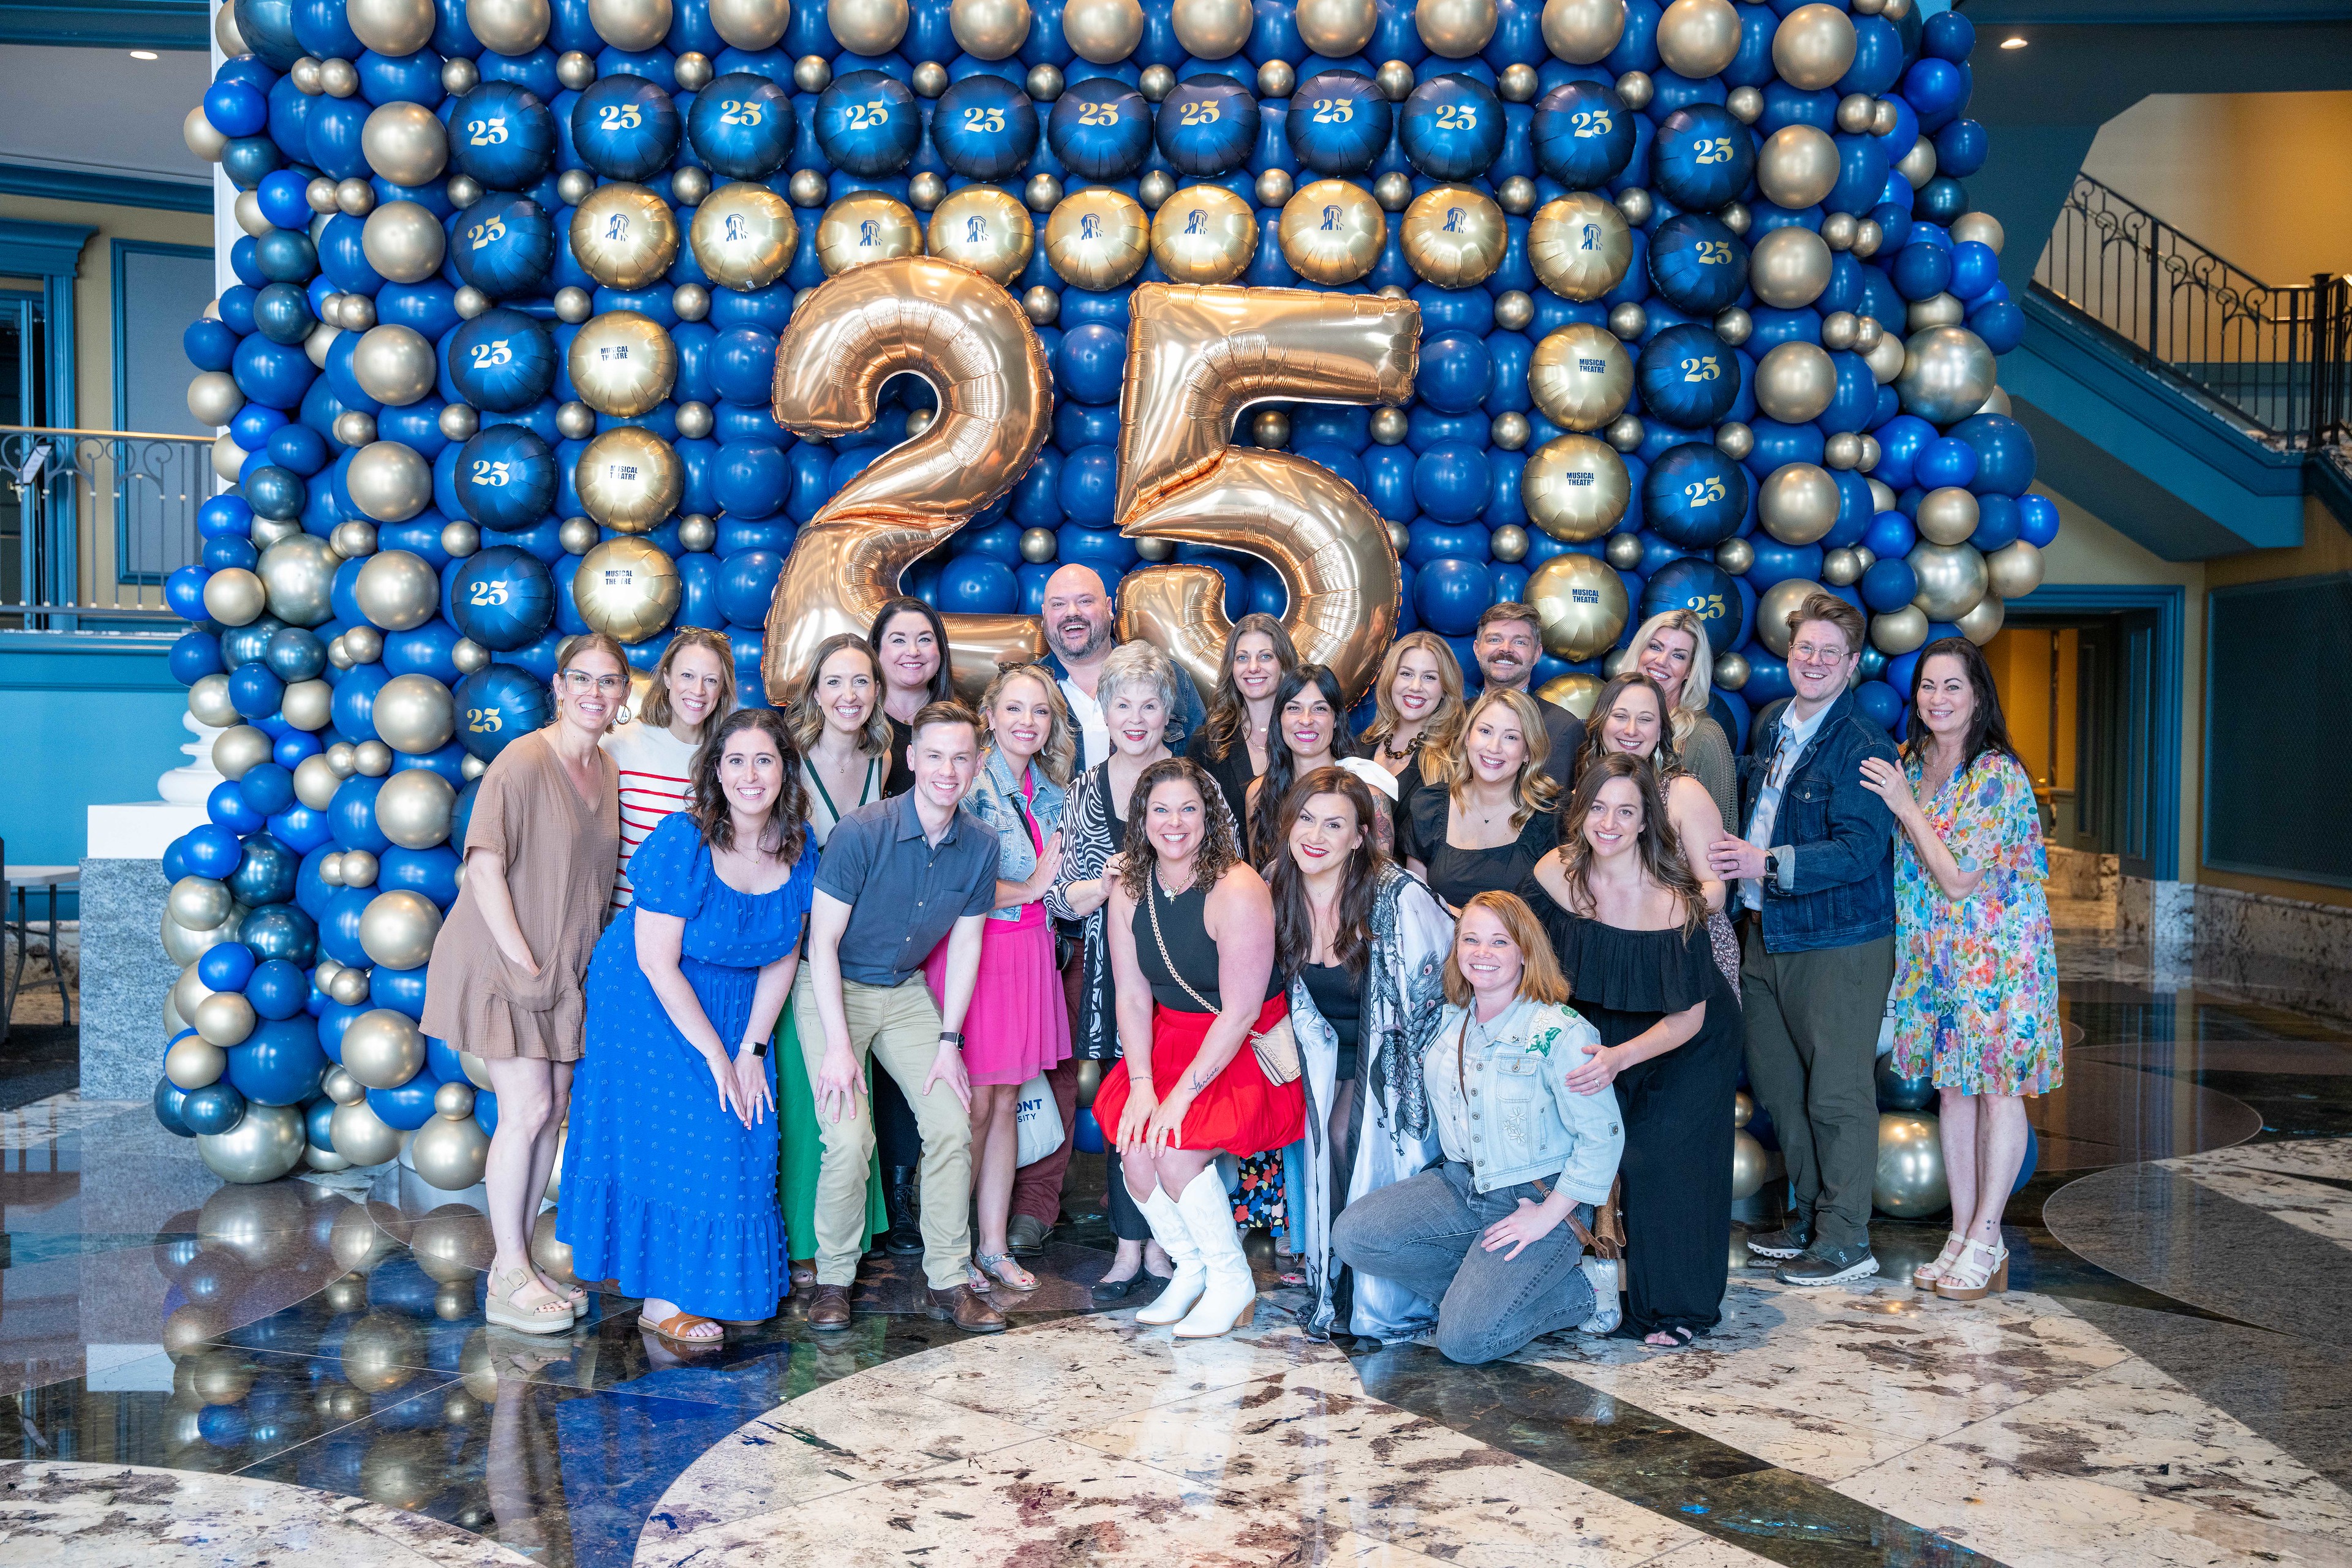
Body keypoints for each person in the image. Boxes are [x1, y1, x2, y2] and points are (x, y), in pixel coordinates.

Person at [560, 709, 818, 1344]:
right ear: (716, 772)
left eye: (764, 760)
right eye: (736, 761)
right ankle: (662, 1301)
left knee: (746, 1125)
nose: (750, 775)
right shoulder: (686, 839)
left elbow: (783, 954)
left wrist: (751, 1049)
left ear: (785, 771)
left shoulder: (799, 844)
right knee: (687, 1134)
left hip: (736, 1000)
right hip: (648, 998)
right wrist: (715, 1055)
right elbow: (655, 959)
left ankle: (716, 1283)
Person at [423, 631, 624, 1334]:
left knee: (553, 1104)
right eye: (582, 679)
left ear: (622, 695)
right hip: (505, 957)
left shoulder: (606, 768)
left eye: (609, 681)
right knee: (528, 1106)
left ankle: (522, 1265)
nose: (595, 692)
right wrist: (524, 963)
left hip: (563, 967)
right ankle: (506, 1271)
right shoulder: (524, 759)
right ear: (559, 688)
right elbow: (483, 866)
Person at [1331, 892, 1624, 1366]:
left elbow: (1602, 1139)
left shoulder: (1561, 1032)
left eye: (1499, 942)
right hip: (1462, 1184)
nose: (1482, 953)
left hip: (1537, 1197)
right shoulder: (1453, 1021)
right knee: (1355, 1236)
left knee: (1465, 1344)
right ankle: (1476, 1294)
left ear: (1525, 951)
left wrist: (1546, 1216)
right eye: (1471, 940)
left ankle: (1582, 1293)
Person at [794, 701, 1006, 1334]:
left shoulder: (981, 844)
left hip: (906, 990)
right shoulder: (863, 831)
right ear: (911, 759)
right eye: (934, 755)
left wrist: (949, 1041)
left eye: (960, 757)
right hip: (832, 987)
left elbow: (966, 945)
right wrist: (839, 1045)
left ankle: (948, 1278)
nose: (947, 770)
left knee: (951, 1125)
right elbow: (822, 943)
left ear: (977, 764)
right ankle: (834, 1278)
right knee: (848, 1140)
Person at [1861, 638, 2063, 1302]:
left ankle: (1988, 1234)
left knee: (1998, 1091)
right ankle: (1961, 1232)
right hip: (1934, 958)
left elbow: (1955, 879)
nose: (1937, 698)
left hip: (1997, 957)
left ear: (1978, 696)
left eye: (1953, 685)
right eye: (1927, 685)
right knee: (1952, 1090)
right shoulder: (1912, 760)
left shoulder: (1995, 774)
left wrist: (1905, 805)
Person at [1706, 592, 1899, 1288]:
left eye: (1830, 652)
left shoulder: (1864, 744)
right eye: (1805, 648)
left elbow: (1860, 850)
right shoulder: (1776, 727)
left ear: (1852, 664)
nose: (1814, 661)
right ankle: (1812, 1219)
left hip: (1838, 941)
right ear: (1790, 654)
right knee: (1782, 1090)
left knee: (1838, 1094)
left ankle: (1846, 1240)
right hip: (1764, 932)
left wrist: (1766, 863)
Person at [1525, 753, 1742, 1346]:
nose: (1609, 823)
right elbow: (1525, 954)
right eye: (1598, 808)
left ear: (1647, 821)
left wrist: (1620, 1058)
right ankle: (1583, 1291)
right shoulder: (1555, 873)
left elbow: (1689, 1017)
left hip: (1685, 1039)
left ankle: (1677, 1309)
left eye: (1626, 812)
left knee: (1661, 1159)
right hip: (1601, 1034)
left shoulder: (1672, 899)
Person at [1091, 758, 1305, 1338]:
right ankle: (1191, 1269)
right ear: (1141, 819)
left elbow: (1240, 1011)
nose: (1175, 822)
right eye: (1160, 810)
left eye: (1188, 808)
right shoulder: (1129, 887)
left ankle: (1231, 1280)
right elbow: (1132, 995)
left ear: (1209, 817)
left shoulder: (1238, 887)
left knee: (1175, 1153)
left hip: (1239, 1041)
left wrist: (1180, 1097)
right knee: (1137, 1153)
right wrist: (1141, 1085)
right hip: (1170, 1038)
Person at [1271, 766, 1455, 1342]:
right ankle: (1334, 1281)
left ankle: (1368, 1286)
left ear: (1360, 837)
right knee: (1315, 1134)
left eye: (1335, 825)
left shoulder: (1397, 897)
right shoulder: (1276, 887)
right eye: (1306, 819)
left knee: (1343, 1132)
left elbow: (1445, 995)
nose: (1315, 836)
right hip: (1317, 1055)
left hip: (1399, 1057)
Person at [1043, 640, 1185, 1300]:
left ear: (1167, 713)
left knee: (1174, 1101)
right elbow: (1059, 895)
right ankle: (1128, 1247)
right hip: (1108, 970)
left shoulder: (1194, 785)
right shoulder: (1084, 788)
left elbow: (1225, 870)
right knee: (1126, 1099)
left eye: (1149, 705)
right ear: (1104, 710)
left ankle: (1164, 1244)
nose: (1135, 718)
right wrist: (1102, 886)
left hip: (1181, 970)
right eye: (1122, 704)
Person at [929, 664, 1072, 1294]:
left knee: (1009, 1100)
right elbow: (951, 882)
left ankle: (992, 1247)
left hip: (1030, 951)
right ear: (988, 715)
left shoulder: (1052, 791)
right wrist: (1033, 886)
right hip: (978, 951)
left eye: (1039, 711)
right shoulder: (968, 781)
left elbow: (1063, 883)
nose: (1027, 722)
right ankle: (949, 1249)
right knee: (976, 1105)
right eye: (1014, 708)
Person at [779, 633, 894, 1280]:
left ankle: (849, 1233)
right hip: (796, 952)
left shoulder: (883, 757)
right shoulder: (790, 761)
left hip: (860, 956)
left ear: (877, 691)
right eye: (835, 681)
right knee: (808, 1099)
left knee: (853, 1097)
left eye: (861, 681)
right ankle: (802, 1242)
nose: (849, 695)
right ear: (815, 693)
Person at [861, 595, 953, 1254]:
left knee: (915, 1068)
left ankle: (905, 1198)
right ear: (877, 651)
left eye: (925, 639)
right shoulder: (859, 725)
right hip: (863, 917)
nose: (913, 651)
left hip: (935, 917)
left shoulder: (954, 727)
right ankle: (870, 1205)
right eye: (898, 639)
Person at [1578, 674, 1738, 991]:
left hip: (1685, 954)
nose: (1631, 730)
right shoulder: (1583, 792)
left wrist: (1647, 913)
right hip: (1611, 951)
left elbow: (1716, 892)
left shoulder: (1683, 793)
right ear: (1600, 722)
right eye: (1620, 716)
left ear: (1661, 729)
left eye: (1645, 719)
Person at [601, 627, 734, 911]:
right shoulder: (620, 744)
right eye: (687, 675)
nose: (698, 690)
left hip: (693, 924)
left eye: (711, 680)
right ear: (666, 678)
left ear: (722, 688)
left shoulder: (730, 758)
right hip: (623, 918)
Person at [1400, 688, 1562, 915]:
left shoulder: (1554, 816)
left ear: (1528, 752)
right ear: (1468, 738)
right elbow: (1416, 909)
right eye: (1485, 731)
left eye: (1511, 737)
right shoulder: (1429, 807)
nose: (1494, 747)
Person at [1039, 563, 1206, 766]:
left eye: (1085, 601)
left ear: (1109, 608)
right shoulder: (1024, 688)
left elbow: (1205, 767)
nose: (1072, 612)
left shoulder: (1170, 676)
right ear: (1044, 614)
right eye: (1058, 604)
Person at [1243, 663, 1395, 867]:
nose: (1306, 720)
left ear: (1336, 719)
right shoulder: (1259, 793)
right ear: (1280, 718)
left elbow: (1381, 880)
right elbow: (1260, 878)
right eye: (1294, 708)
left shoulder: (1369, 794)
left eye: (1320, 709)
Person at [1625, 609, 1738, 831]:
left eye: (1678, 656)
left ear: (1690, 671)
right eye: (1655, 647)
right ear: (1639, 652)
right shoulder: (1611, 724)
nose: (1661, 661)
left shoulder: (1705, 737)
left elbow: (1725, 839)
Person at [1185, 612, 1299, 828]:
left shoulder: (1307, 735)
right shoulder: (1207, 743)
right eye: (1242, 658)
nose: (1253, 667)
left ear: (1284, 663)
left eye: (1266, 656)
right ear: (1231, 667)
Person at [1470, 602, 1585, 785]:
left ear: (1537, 654)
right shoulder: (1454, 716)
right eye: (1495, 640)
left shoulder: (1562, 728)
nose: (1506, 648)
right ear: (1477, 650)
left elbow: (1555, 802)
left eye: (1520, 642)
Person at [1356, 631, 1466, 798]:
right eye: (1406, 674)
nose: (1415, 687)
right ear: (1391, 680)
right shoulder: (1362, 743)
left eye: (1429, 677)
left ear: (1445, 688)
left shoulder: (1455, 758)